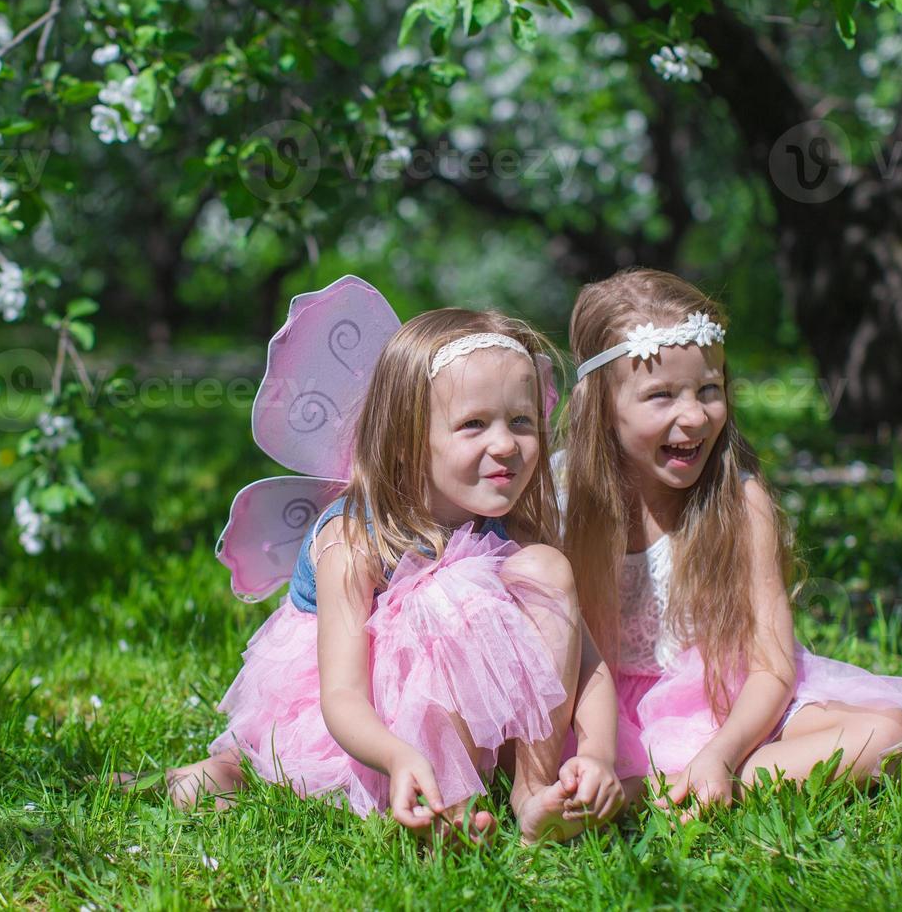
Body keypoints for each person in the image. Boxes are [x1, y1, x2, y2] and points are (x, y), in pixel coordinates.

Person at [123, 277, 616, 843]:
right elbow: (343, 697)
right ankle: (413, 799)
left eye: (521, 422)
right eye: (474, 425)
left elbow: (588, 664)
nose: (505, 445)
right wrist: (396, 756)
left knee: (545, 570)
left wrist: (599, 753)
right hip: (363, 726)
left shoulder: (510, 523)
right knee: (445, 602)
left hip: (460, 710)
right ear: (407, 440)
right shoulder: (353, 540)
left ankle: (532, 791)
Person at [557, 268, 902, 819]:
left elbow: (772, 667)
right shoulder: (564, 502)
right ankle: (658, 784)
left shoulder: (739, 503)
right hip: (605, 720)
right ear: (598, 404)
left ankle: (695, 783)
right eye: (661, 395)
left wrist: (722, 751)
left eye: (708, 390)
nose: (692, 416)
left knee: (889, 734)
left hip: (737, 705)